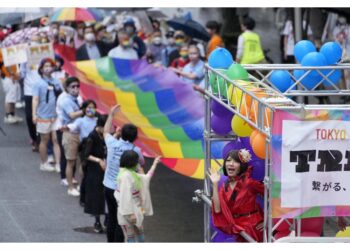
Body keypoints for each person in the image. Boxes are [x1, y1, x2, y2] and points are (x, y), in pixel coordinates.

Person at [103, 104, 145, 242]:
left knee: (111, 218)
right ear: (135, 138)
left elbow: (105, 132)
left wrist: (111, 114)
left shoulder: (112, 143)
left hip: (108, 187)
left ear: (121, 133)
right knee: (122, 221)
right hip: (122, 190)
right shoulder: (135, 150)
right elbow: (142, 163)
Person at [208, 149, 264, 242]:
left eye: (235, 161)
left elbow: (272, 196)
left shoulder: (249, 183)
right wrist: (214, 184)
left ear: (241, 166)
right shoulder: (225, 185)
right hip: (236, 227)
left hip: (252, 228)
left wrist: (267, 221)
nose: (231, 164)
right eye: (228, 160)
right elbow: (217, 209)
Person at [115, 151, 161, 242]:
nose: (138, 163)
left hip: (131, 210)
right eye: (137, 161)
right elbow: (125, 196)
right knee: (134, 235)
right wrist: (130, 213)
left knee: (133, 235)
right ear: (132, 163)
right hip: (129, 212)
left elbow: (146, 178)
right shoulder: (127, 176)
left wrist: (154, 164)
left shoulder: (127, 173)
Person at [32, 58, 63, 172]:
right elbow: (35, 99)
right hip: (43, 116)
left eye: (50, 66)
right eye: (45, 66)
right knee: (44, 140)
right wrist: (34, 114)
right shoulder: (38, 84)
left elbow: (62, 96)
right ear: (41, 69)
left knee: (56, 140)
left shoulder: (57, 82)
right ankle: (44, 162)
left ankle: (58, 163)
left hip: (56, 116)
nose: (48, 68)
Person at [81, 114, 108, 233]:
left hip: (105, 169)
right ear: (100, 126)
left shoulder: (106, 136)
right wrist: (99, 160)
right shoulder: (91, 137)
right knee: (97, 195)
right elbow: (86, 155)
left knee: (106, 194)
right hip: (94, 170)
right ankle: (97, 221)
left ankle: (108, 218)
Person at [58, 76, 84, 196]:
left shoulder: (79, 99)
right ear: (67, 88)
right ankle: (70, 187)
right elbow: (72, 115)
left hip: (81, 133)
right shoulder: (65, 101)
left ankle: (80, 185)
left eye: (77, 86)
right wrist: (86, 110)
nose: (76, 89)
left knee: (82, 161)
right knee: (71, 162)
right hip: (70, 134)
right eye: (72, 87)